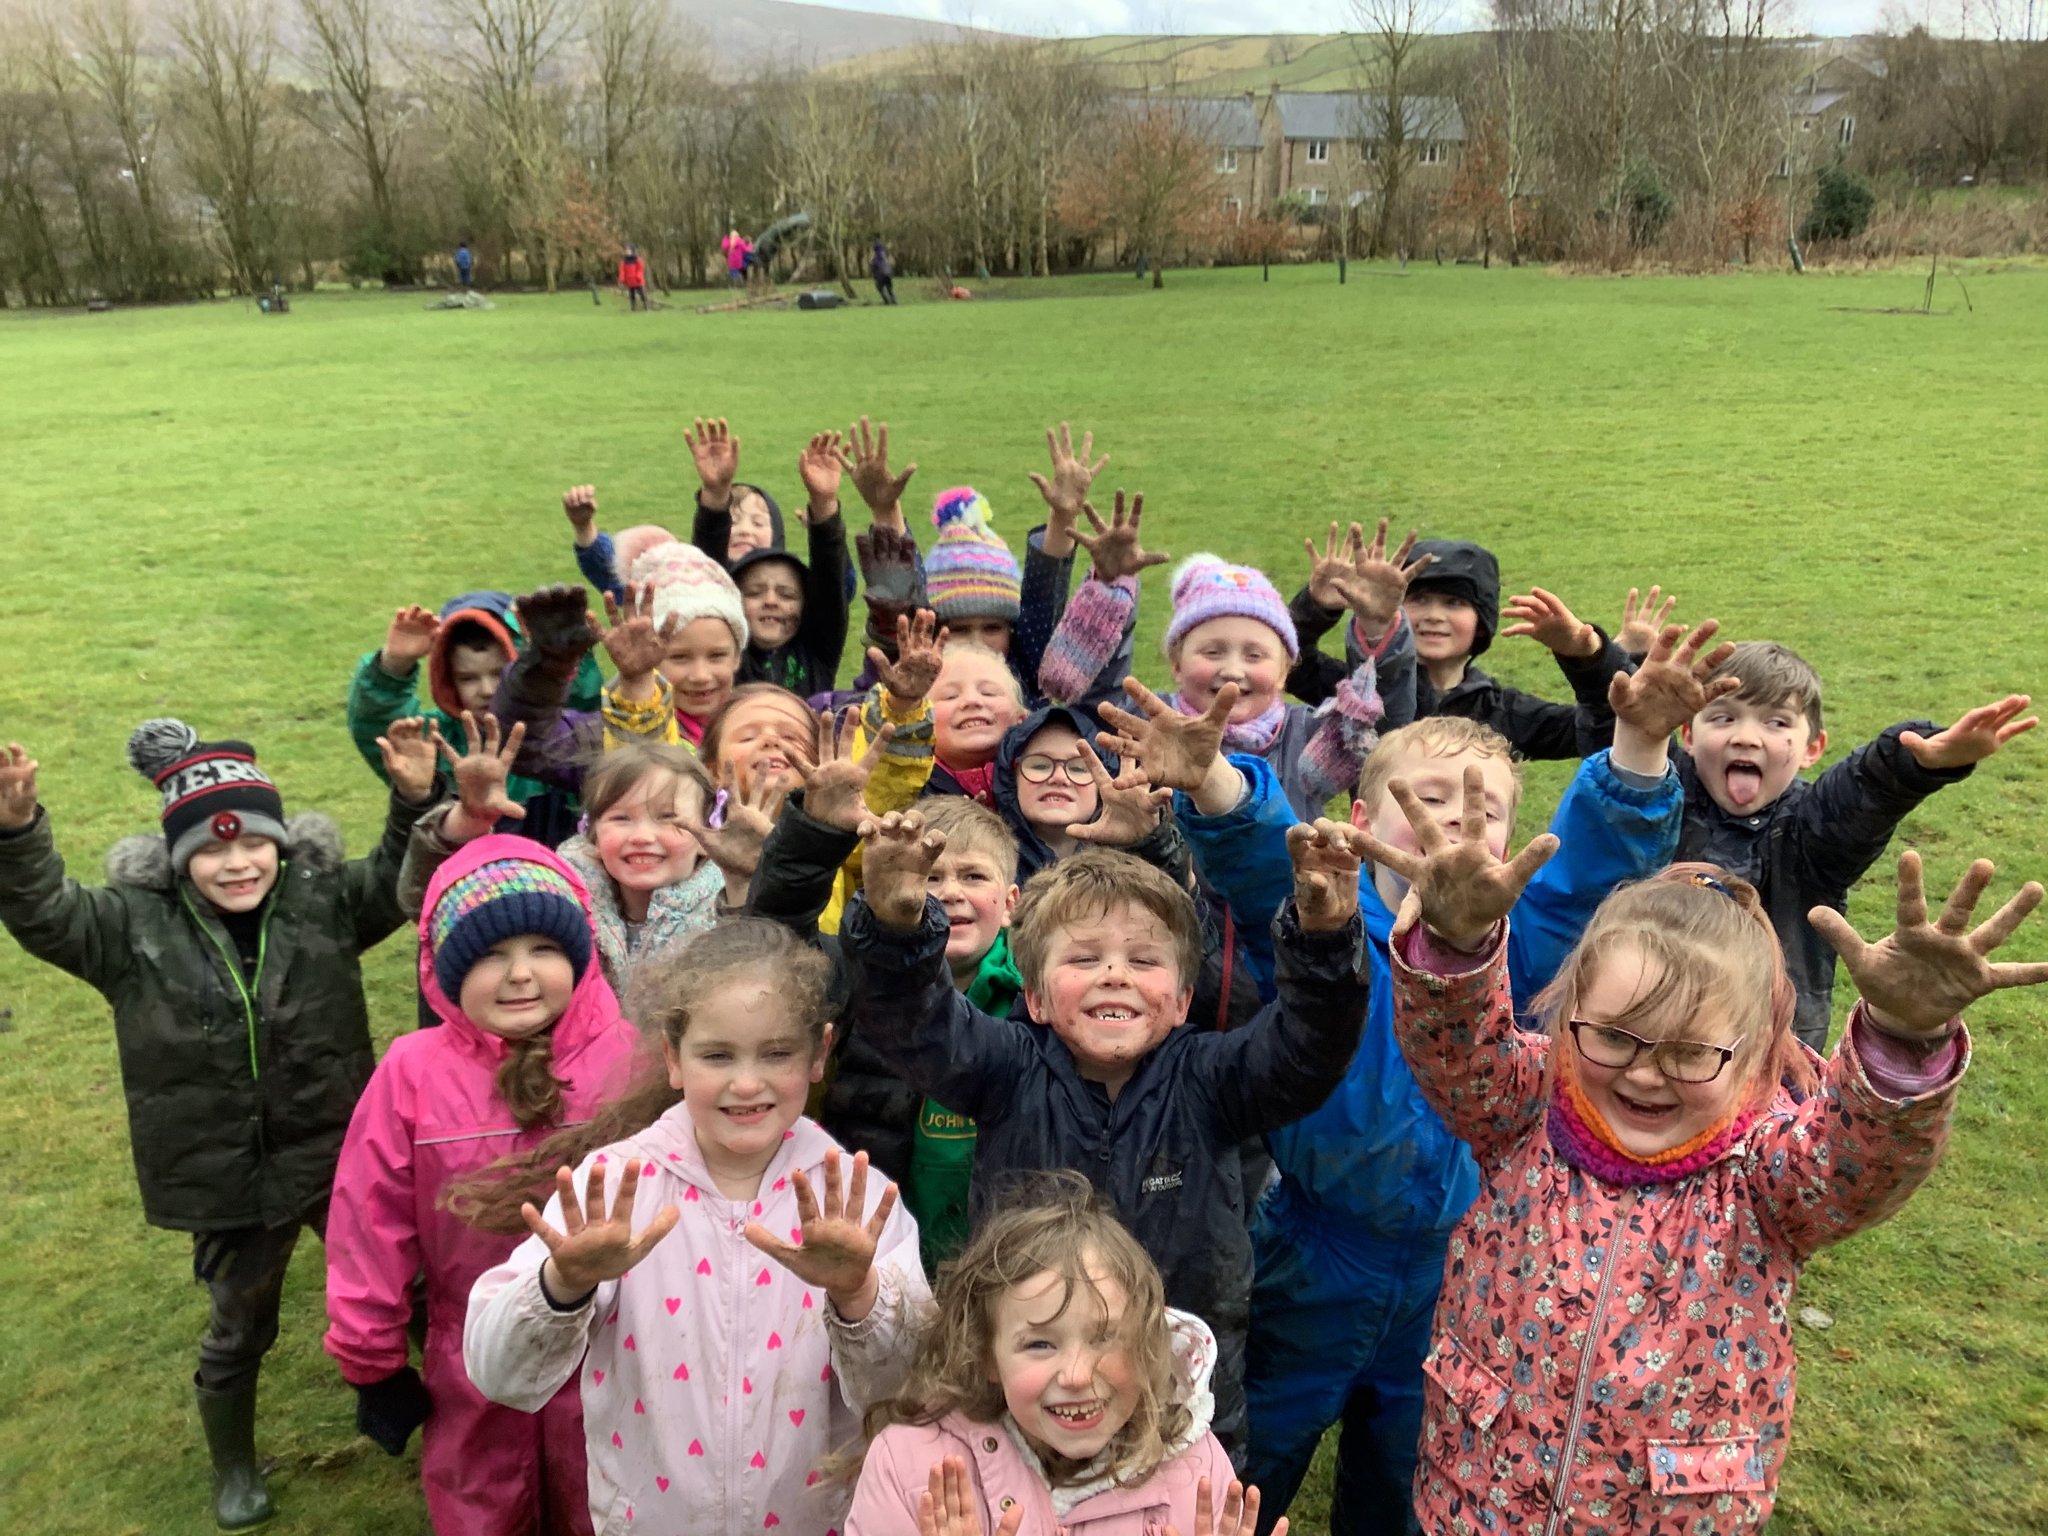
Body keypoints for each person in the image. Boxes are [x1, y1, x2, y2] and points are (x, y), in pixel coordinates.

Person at [1146, 619, 1718, 1535]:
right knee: (1252, 1461)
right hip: (1312, 1251)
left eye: (1486, 807)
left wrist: (1641, 742)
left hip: (1463, 1270)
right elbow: (1259, 862)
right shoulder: (1324, 920)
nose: (1461, 817)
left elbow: (1588, 875)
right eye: (1434, 799)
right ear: (1363, 822)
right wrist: (1213, 780)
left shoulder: (1520, 945)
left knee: (1413, 1476)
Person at [1371, 767, 2047, 1534]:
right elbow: (1455, 1047)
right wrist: (1455, 945)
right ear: (1567, 1017)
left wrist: (1904, 1037)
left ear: (1757, 1053)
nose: (1646, 1073)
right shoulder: (1530, 1104)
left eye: (1692, 1054)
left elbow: (1864, 1158)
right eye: (1615, 1036)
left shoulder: (1769, 1174)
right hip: (1479, 1492)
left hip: (1669, 1512)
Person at [0, 720, 441, 1530]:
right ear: (176, 861)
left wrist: (414, 799)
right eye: (209, 851)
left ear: (280, 842)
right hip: (221, 1176)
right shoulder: (127, 929)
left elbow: (397, 879)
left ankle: (454, 1415)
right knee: (242, 1324)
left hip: (339, 1152)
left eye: (254, 845)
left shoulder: (325, 902)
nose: (236, 863)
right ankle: (233, 1463)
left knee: (408, 1289)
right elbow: (42, 912)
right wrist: (17, 832)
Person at [841, 817, 1371, 1461]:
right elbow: (913, 1023)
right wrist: (897, 932)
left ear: (1181, 1000)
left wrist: (1322, 943)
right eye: (1085, 958)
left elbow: (1306, 1051)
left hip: (1175, 1383)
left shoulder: (1212, 1077)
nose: (1114, 974)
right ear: (1033, 996)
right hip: (1026, 1382)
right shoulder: (1003, 1066)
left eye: (1144, 960)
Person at [461, 920, 931, 1536]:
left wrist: (859, 1297)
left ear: (818, 1053)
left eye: (776, 1053)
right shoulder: (616, 1190)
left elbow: (907, 1392)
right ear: (671, 1057)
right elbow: (500, 1374)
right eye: (717, 1055)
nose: (745, 1082)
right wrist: (562, 1284)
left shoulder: (854, 1202)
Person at [324, 733, 640, 1534]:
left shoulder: (634, 1055)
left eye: (544, 947)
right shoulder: (412, 1069)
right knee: (480, 1506)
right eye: (492, 955)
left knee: (605, 1501)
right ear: (445, 969)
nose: (522, 973)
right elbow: (370, 1219)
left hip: (613, 1347)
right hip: (467, 1351)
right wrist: (372, 1359)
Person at [846, 1175, 1281, 1536]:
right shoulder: (912, 1469)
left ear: (1148, 1346)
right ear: (985, 1355)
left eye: (1105, 1337)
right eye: (1040, 1344)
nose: (1075, 1374)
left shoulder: (1194, 1469)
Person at [1675, 639, 2036, 1048]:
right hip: (1642, 1034)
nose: (1746, 737)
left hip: (1774, 1055)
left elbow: (1862, 791)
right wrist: (1600, 663)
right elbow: (1627, 744)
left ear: (1813, 748)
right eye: (1723, 717)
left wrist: (1913, 763)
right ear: (1687, 733)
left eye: (1776, 723)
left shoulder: (1810, 831)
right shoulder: (1661, 802)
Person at [1286, 531, 1632, 762]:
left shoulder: (1506, 713)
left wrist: (1589, 657)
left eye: (1454, 603)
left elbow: (1607, 730)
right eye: (1418, 599)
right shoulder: (1359, 693)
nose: (1434, 616)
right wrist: (1317, 607)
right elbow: (1287, 664)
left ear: (1482, 621)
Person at [1137, 536, 1412, 823]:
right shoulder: (1147, 726)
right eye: (1213, 652)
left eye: (1254, 656)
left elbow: (1380, 727)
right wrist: (1110, 588)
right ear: (1177, 663)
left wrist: (1377, 630)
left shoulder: (1307, 734)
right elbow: (1091, 696)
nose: (1232, 670)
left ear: (1284, 672)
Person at [347, 591, 603, 849]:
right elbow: (382, 729)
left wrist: (558, 659)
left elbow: (584, 705)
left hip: (560, 880)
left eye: (499, 672)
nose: (487, 689)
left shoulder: (557, 735)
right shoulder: (439, 741)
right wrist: (393, 666)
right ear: (447, 681)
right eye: (467, 678)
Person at [682, 421, 852, 696]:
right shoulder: (729, 652)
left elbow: (830, 575)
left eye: (787, 594)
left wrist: (824, 504)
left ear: (806, 605)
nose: (771, 601)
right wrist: (715, 495)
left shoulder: (816, 650)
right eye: (755, 592)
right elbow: (708, 575)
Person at [618, 244, 647, 311]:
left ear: (632, 251)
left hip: (637, 281)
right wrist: (622, 279)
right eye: (626, 250)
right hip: (630, 281)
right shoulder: (624, 261)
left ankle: (646, 307)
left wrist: (638, 277)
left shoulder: (637, 259)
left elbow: (640, 269)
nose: (627, 252)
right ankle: (633, 308)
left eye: (628, 250)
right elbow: (622, 270)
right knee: (631, 295)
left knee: (642, 294)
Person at [870, 236, 896, 305]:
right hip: (888, 274)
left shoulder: (875, 257)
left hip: (881, 275)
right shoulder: (884, 255)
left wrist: (875, 277)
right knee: (889, 288)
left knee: (879, 288)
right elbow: (889, 265)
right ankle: (894, 301)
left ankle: (886, 301)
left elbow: (874, 268)